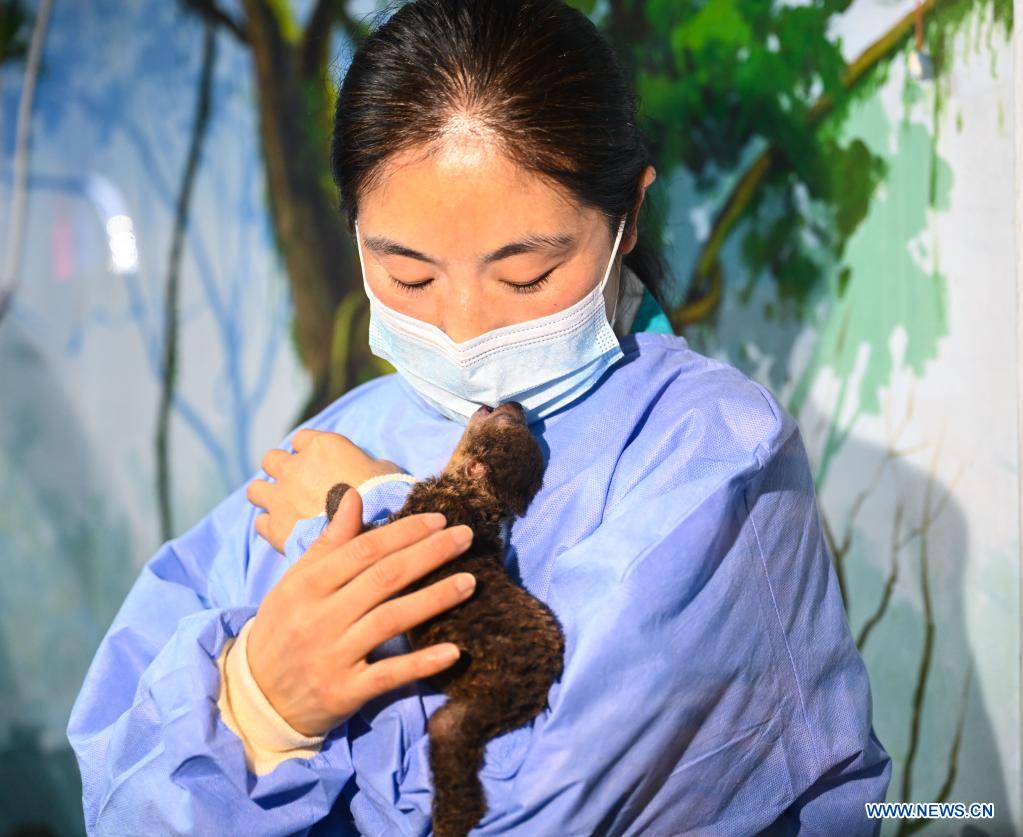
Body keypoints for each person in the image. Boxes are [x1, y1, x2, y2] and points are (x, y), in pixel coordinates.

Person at [66, 0, 892, 834]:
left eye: (526, 273)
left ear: (629, 218)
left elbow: (527, 805)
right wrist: (260, 700)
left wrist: (382, 527)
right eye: (409, 277)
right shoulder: (334, 440)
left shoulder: (714, 456)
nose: (463, 329)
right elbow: (123, 783)